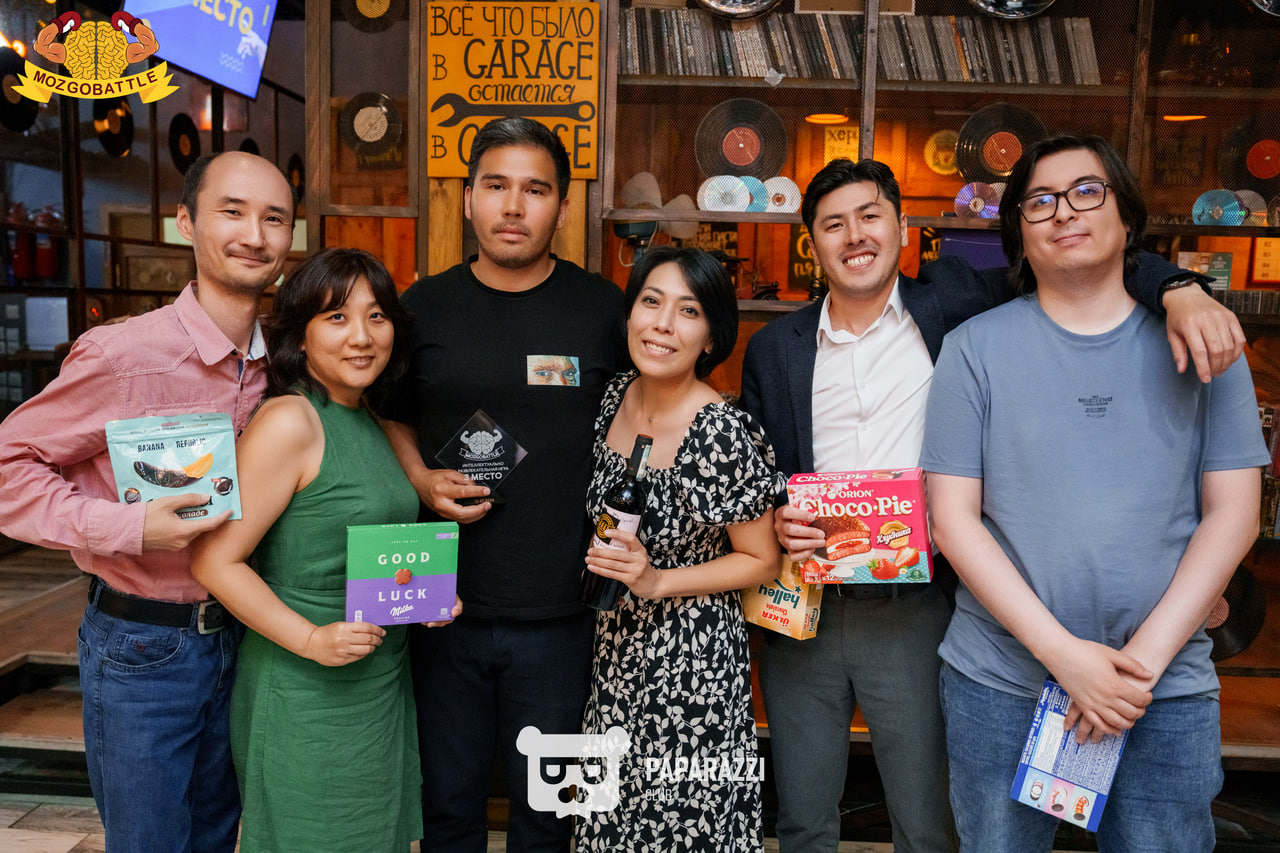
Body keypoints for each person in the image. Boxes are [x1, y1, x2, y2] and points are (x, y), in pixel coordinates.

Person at [738, 156, 1249, 853]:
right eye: (833, 224)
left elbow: (1082, 258)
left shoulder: (955, 303)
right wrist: (775, 516)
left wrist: (1180, 287)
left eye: (870, 216)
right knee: (801, 816)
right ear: (812, 242)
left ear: (903, 228)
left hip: (917, 603)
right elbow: (760, 471)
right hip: (806, 605)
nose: (854, 236)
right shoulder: (774, 347)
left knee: (929, 821)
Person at [921, 134, 1268, 852]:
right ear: (1019, 232)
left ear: (1127, 217)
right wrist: (1067, 659)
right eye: (1039, 201)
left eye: (1086, 191)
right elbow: (953, 521)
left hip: (1163, 689)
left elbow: (1234, 515)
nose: (1063, 211)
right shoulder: (973, 349)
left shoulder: (1209, 342)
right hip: (1001, 681)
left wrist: (1135, 670)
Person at [0, 151, 295, 852]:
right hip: (142, 649)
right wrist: (128, 526)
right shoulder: (122, 355)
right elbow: (9, 465)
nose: (254, 235)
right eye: (232, 211)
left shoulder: (283, 366)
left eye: (274, 218)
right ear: (186, 222)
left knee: (218, 835)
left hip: (244, 639)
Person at [381, 116, 627, 851]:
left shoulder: (606, 310)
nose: (513, 207)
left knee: (555, 813)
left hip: (570, 614)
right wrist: (420, 476)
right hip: (438, 606)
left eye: (535, 190)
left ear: (562, 206)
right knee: (447, 809)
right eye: (495, 186)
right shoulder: (421, 306)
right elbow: (387, 414)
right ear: (467, 198)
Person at [190, 248, 457, 851]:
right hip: (303, 692)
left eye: (376, 316)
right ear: (300, 335)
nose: (361, 336)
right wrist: (312, 639)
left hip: (378, 682)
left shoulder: (367, 419)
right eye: (337, 317)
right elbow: (214, 561)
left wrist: (423, 596)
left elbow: (357, 550)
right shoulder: (292, 420)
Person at [575, 246, 782, 851]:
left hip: (691, 666)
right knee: (610, 823)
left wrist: (657, 581)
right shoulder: (615, 397)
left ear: (711, 337)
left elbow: (761, 559)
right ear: (629, 315)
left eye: (688, 311)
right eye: (651, 302)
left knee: (686, 825)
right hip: (613, 653)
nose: (663, 324)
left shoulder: (720, 430)